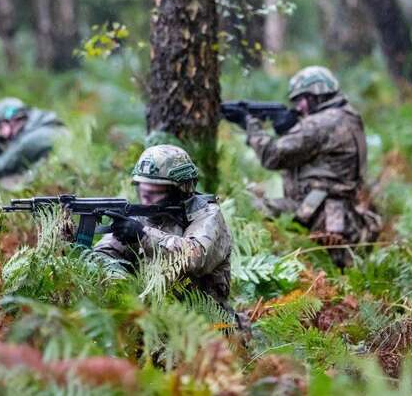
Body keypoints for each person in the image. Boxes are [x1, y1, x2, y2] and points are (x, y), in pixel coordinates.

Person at [244, 66, 380, 267]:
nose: (298, 108)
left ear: (315, 96)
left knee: (249, 206)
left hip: (320, 216)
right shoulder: (346, 116)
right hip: (341, 215)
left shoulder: (319, 123)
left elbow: (271, 155)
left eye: (300, 100)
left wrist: (252, 126)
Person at [93, 144, 233, 310]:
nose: (146, 200)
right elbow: (102, 254)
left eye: (154, 193)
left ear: (180, 191)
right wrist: (120, 283)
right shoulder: (141, 215)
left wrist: (143, 236)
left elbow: (194, 257)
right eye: (142, 192)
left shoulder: (208, 215)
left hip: (205, 322)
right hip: (152, 317)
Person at [0, 97, 64, 182]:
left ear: (11, 119)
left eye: (0, 127)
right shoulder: (47, 126)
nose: (0, 133)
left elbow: (1, 168)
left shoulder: (30, 140)